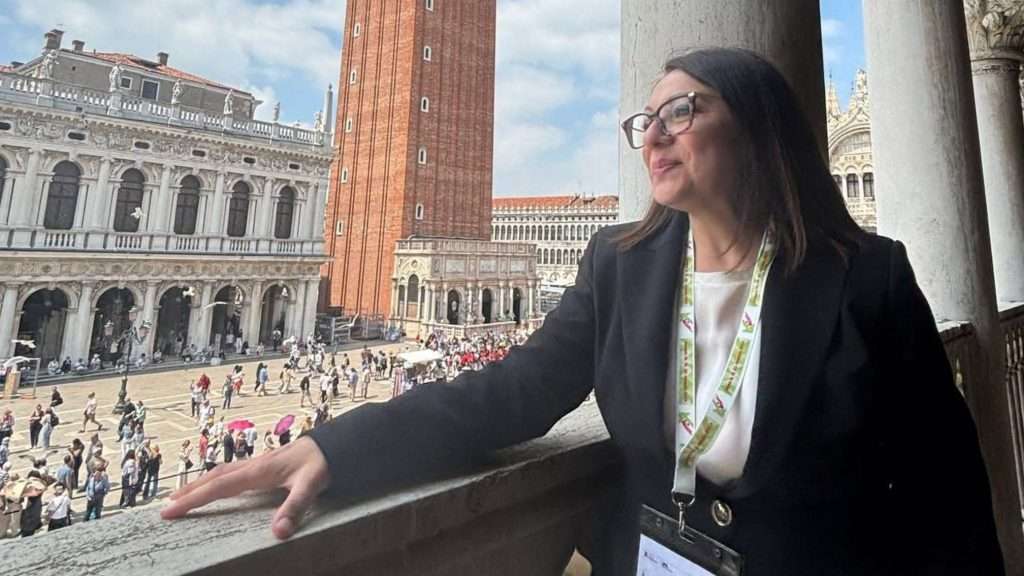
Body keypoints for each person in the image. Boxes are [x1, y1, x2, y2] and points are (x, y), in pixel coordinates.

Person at [162, 48, 1003, 573]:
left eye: (683, 111)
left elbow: (948, 487)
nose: (653, 135)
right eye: (645, 119)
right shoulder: (622, 264)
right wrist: (336, 447)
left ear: (759, 130)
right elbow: (512, 392)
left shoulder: (865, 280)